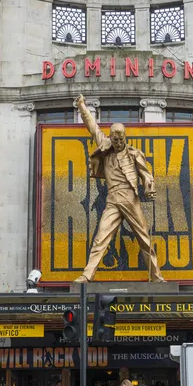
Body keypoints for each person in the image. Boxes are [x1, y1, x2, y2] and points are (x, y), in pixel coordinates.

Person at [73, 94, 165, 284]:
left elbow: (146, 174)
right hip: (113, 199)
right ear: (111, 138)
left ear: (125, 137)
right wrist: (82, 106)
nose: (117, 142)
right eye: (114, 139)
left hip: (131, 199)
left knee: (144, 238)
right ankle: (87, 275)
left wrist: (149, 186)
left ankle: (156, 277)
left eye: (120, 139)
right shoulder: (105, 148)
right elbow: (92, 126)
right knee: (101, 238)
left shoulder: (133, 154)